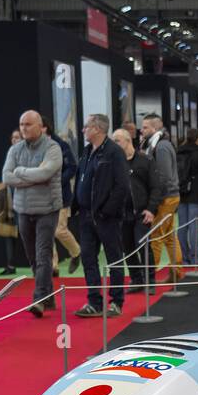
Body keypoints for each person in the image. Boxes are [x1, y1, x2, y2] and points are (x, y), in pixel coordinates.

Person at [3, 111, 63, 318]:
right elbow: (7, 176)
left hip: (47, 210)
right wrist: (32, 176)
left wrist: (20, 171)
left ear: (41, 126)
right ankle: (49, 296)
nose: (24, 128)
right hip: (23, 210)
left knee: (43, 255)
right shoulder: (15, 149)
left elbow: (46, 173)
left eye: (28, 124)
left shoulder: (53, 148)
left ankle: (38, 299)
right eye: (21, 124)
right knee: (32, 258)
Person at [71, 113, 130, 317]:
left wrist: (106, 211)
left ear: (97, 128)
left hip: (106, 217)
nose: (83, 130)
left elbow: (122, 186)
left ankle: (116, 302)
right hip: (86, 216)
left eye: (86, 126)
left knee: (114, 259)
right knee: (88, 259)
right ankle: (94, 302)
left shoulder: (114, 152)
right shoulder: (87, 151)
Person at [141, 113, 184, 284]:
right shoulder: (157, 144)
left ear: (154, 128)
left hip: (166, 197)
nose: (141, 130)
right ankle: (176, 272)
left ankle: (150, 275)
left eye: (145, 127)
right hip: (168, 197)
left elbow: (164, 176)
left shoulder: (161, 146)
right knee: (167, 236)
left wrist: (156, 200)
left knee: (156, 236)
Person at [112, 128, 153, 293]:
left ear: (128, 141)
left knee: (143, 245)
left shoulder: (145, 160)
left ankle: (150, 281)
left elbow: (156, 187)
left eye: (117, 141)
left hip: (142, 212)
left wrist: (151, 209)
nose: (114, 144)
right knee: (127, 248)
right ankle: (136, 279)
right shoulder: (115, 163)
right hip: (122, 213)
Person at [42, 115, 82, 275]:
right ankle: (53, 267)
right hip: (42, 196)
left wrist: (58, 181)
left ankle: (76, 252)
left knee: (59, 230)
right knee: (46, 231)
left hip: (61, 195)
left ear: (45, 128)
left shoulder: (61, 144)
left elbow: (72, 167)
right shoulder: (34, 146)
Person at [176, 128, 198, 272]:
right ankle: (197, 258)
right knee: (194, 227)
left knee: (182, 227)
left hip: (181, 193)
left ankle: (185, 258)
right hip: (197, 194)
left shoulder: (179, 151)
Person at [0, 129, 22, 275]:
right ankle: (10, 265)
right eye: (13, 137)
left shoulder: (27, 154)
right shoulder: (10, 155)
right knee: (8, 234)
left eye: (18, 137)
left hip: (25, 201)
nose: (15, 140)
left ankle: (39, 265)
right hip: (9, 201)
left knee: (29, 235)